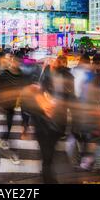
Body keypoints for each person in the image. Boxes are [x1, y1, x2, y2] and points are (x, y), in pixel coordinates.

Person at [35, 55, 74, 183]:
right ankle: (47, 174)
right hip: (47, 122)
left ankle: (47, 171)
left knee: (48, 151)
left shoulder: (50, 78)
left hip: (50, 122)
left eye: (53, 63)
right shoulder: (47, 78)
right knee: (48, 152)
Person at [0, 54, 27, 153]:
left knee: (9, 121)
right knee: (8, 122)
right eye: (13, 61)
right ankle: (5, 139)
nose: (15, 63)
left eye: (17, 62)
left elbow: (22, 87)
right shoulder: (5, 73)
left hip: (13, 102)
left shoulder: (21, 74)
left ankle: (6, 138)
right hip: (5, 102)